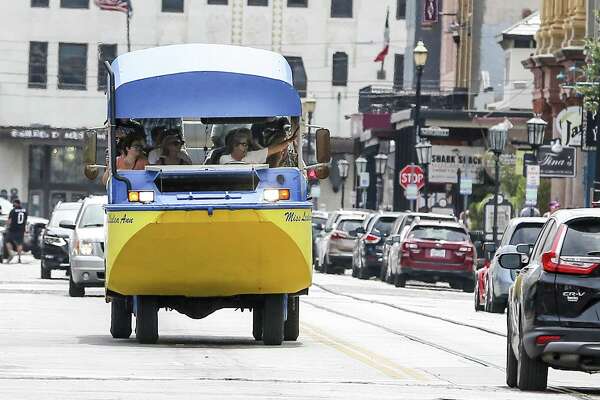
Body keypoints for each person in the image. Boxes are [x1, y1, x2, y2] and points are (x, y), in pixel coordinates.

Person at [219, 128, 296, 165]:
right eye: (244, 144)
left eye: (248, 144)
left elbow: (274, 149)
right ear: (234, 145)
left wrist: (289, 140)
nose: (246, 147)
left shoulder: (253, 155)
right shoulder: (224, 159)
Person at [5, 199, 28, 264]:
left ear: (16, 203)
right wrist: (25, 228)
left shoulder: (13, 211)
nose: (13, 204)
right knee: (19, 243)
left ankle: (11, 252)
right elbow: (25, 221)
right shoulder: (24, 211)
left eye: (14, 203)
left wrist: (6, 227)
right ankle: (19, 258)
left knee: (7, 240)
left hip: (13, 229)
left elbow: (9, 220)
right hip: (21, 230)